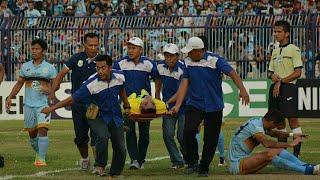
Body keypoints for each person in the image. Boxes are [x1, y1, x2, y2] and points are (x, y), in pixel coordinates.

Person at [170, 37, 250, 177]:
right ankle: (192, 163)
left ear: (199, 51)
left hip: (214, 105)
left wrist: (242, 89)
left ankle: (204, 167)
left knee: (210, 139)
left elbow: (232, 72)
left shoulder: (215, 60)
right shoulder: (187, 62)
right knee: (187, 132)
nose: (187, 54)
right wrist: (177, 105)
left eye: (190, 51)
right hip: (194, 104)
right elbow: (184, 83)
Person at [42, 55, 129, 177]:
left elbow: (121, 89)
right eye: (97, 68)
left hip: (115, 115)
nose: (100, 71)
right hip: (96, 116)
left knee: (120, 147)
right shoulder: (91, 83)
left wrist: (126, 104)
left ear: (110, 67)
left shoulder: (120, 76)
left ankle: (115, 172)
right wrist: (52, 108)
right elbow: (71, 99)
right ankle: (100, 166)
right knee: (103, 136)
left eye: (103, 68)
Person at [51, 32, 99, 170]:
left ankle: (98, 163)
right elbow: (61, 74)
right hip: (78, 104)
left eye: (96, 45)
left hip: (95, 105)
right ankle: (85, 159)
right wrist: (53, 91)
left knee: (97, 136)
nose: (93, 48)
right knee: (80, 137)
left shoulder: (103, 61)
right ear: (84, 45)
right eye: (90, 45)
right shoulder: (76, 58)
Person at [5, 38, 57, 167]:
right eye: (32, 49)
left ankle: (41, 159)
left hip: (43, 105)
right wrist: (10, 96)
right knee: (32, 135)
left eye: (37, 49)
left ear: (43, 51)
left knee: (43, 130)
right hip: (28, 105)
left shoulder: (49, 68)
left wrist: (49, 89)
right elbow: (19, 83)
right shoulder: (25, 66)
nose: (34, 51)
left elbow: (56, 86)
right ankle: (39, 152)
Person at [113, 37, 160, 169]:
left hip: (145, 104)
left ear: (140, 49)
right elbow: (116, 82)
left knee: (144, 133)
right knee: (130, 131)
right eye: (129, 48)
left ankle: (141, 159)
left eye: (133, 48)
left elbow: (157, 78)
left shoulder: (148, 63)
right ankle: (134, 160)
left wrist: (156, 96)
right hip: (127, 103)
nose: (130, 50)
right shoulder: (120, 63)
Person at [228, 109, 319, 175]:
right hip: (236, 165)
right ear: (271, 122)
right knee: (269, 154)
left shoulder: (260, 123)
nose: (274, 128)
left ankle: (306, 165)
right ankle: (306, 171)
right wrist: (290, 144)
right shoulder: (255, 126)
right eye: (275, 125)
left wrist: (292, 135)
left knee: (278, 150)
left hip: (245, 161)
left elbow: (274, 133)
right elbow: (267, 143)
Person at [268, 20, 303, 157]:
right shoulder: (275, 51)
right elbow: (269, 72)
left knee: (292, 120)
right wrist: (273, 77)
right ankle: (283, 154)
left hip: (288, 88)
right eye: (275, 31)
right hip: (276, 89)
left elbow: (298, 72)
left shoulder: (294, 49)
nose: (276, 34)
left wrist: (281, 81)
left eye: (279, 31)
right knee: (278, 122)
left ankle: (296, 154)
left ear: (287, 33)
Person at [156, 43, 186, 169]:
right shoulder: (160, 67)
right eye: (166, 55)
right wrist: (157, 97)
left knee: (182, 136)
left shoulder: (183, 69)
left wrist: (166, 103)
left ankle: (189, 156)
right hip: (167, 107)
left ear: (177, 56)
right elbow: (158, 81)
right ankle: (177, 161)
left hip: (184, 106)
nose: (168, 58)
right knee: (167, 135)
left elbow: (180, 91)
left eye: (171, 56)